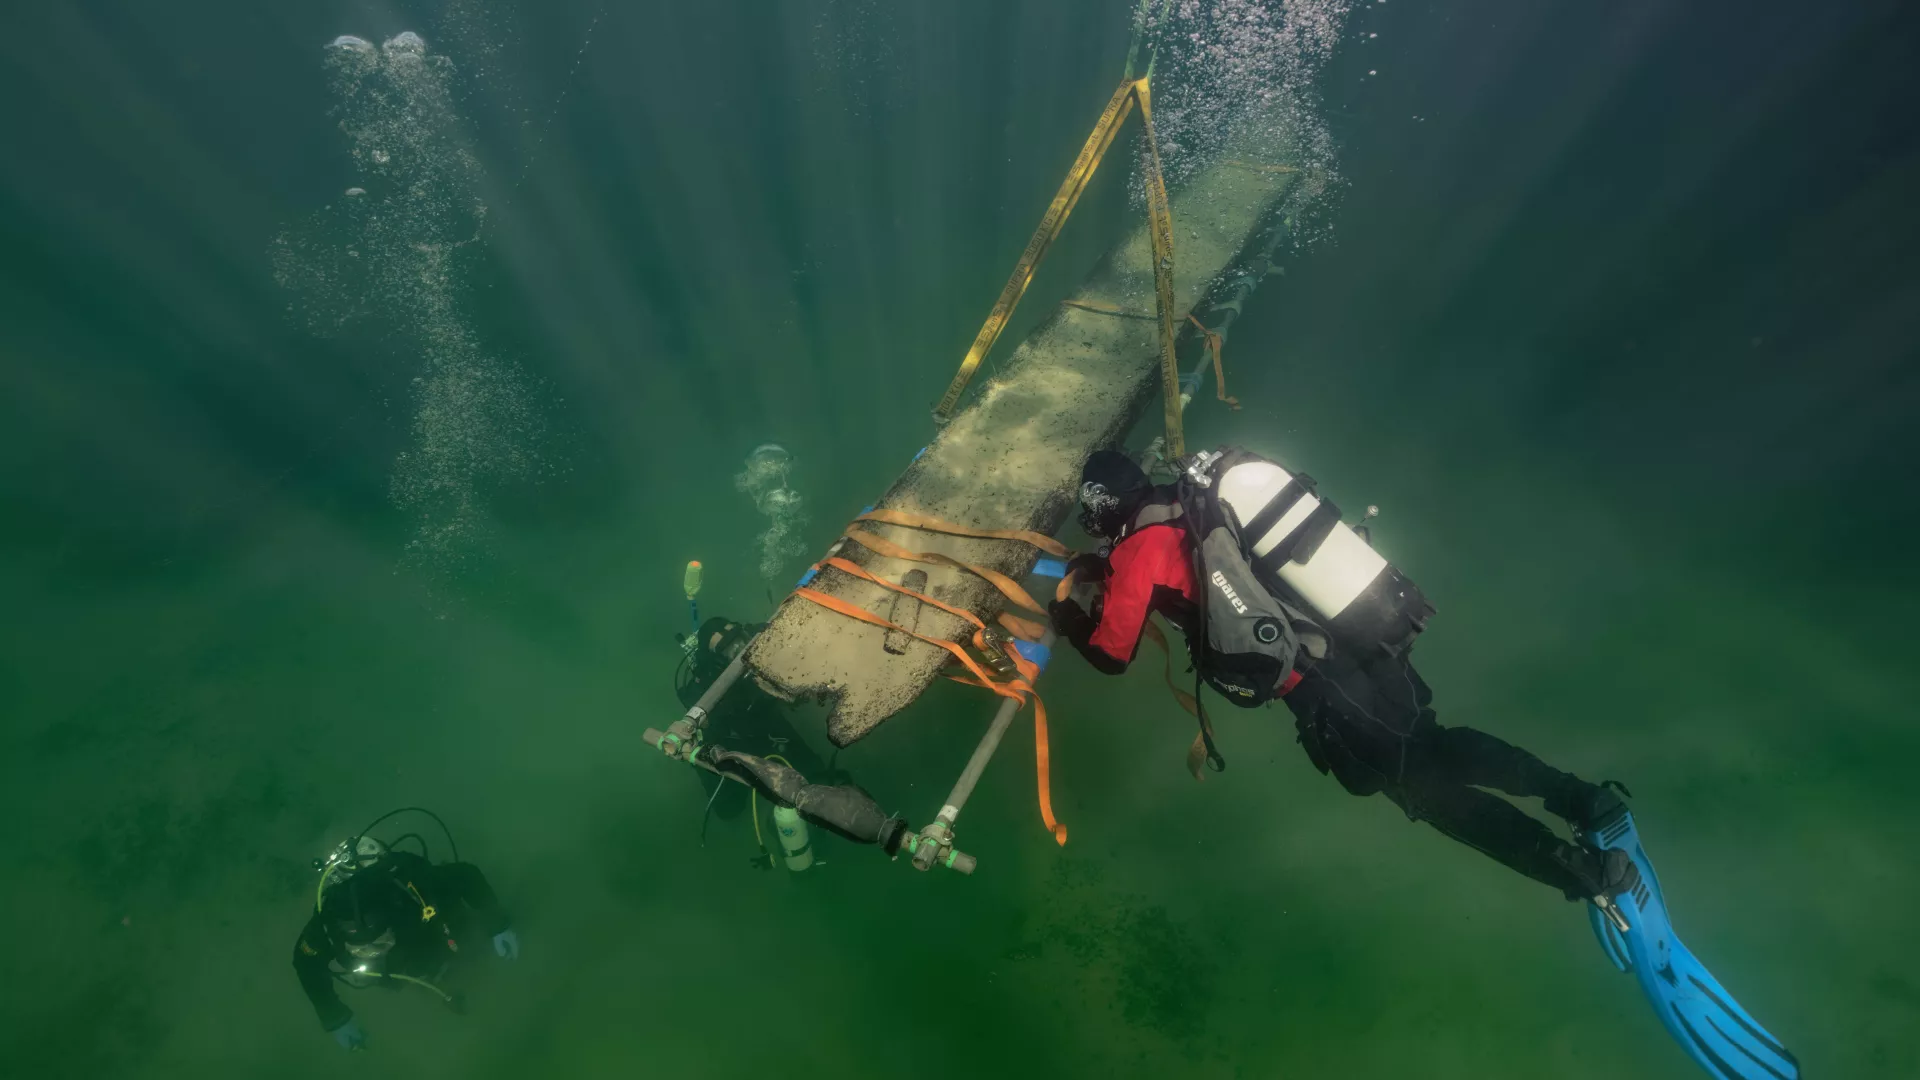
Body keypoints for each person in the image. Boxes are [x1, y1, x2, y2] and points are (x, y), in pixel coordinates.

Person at [1046, 449, 1633, 902]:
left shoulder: (1134, 555)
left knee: (1428, 794)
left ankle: (1582, 873)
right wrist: (1108, 567)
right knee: (1438, 743)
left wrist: (1068, 615)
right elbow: (1180, 568)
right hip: (1360, 642)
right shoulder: (1187, 503)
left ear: (1101, 506)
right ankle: (1585, 801)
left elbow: (1111, 653)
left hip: (1323, 689)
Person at [293, 833, 519, 1051]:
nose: (371, 955)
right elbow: (306, 963)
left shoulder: (413, 893)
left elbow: (466, 876)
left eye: (379, 944)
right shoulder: (326, 927)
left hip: (446, 941)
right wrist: (336, 1018)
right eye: (359, 950)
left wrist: (497, 925)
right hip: (413, 971)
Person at [675, 616, 838, 826]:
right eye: (728, 648)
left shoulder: (758, 646)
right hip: (731, 740)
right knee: (729, 810)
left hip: (766, 722)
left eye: (738, 639)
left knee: (816, 775)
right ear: (715, 659)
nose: (739, 649)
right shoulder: (706, 685)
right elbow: (703, 714)